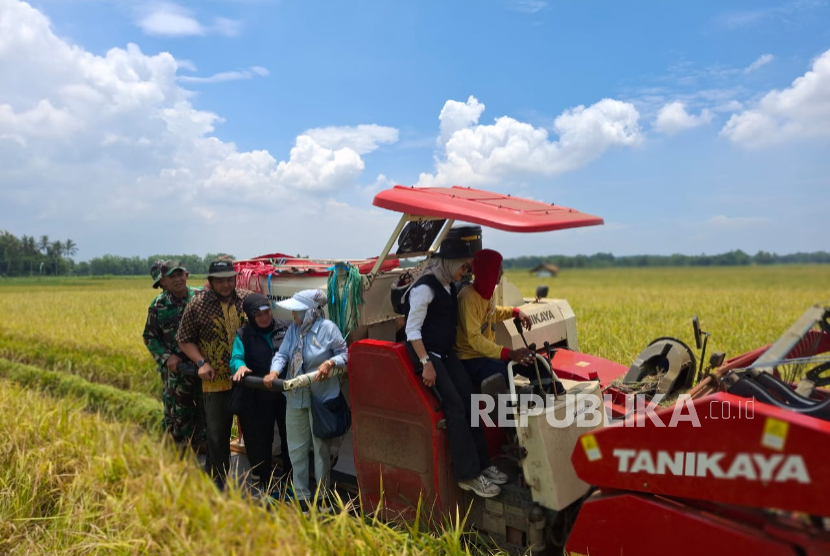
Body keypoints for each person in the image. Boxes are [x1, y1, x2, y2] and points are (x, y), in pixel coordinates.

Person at [405, 253, 508, 498]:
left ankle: (483, 464)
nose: (465, 272)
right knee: (455, 406)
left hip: (446, 354)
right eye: (463, 266)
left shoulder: (448, 284)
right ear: (449, 262)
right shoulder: (425, 288)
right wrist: (426, 363)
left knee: (472, 400)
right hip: (428, 355)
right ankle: (468, 476)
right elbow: (412, 330)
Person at [263, 289, 347, 511]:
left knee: (320, 450)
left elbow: (345, 354)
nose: (294, 316)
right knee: (296, 448)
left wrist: (329, 363)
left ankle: (323, 497)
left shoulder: (328, 329)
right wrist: (274, 372)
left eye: (297, 312)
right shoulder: (294, 330)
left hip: (321, 398)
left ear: (311, 311)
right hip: (295, 396)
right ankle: (302, 497)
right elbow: (282, 355)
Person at [177, 256, 253, 488]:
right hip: (215, 381)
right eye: (220, 281)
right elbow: (184, 339)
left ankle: (259, 479)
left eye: (229, 279)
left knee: (253, 431)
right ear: (210, 280)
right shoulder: (198, 304)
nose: (226, 285)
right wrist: (201, 363)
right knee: (218, 435)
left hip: (248, 379)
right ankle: (219, 482)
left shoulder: (247, 300)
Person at [230, 293, 292, 492]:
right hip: (259, 397)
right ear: (250, 316)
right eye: (259, 314)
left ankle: (291, 480)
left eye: (267, 312)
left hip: (286, 395)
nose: (265, 317)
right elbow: (236, 358)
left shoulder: (286, 327)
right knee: (262, 441)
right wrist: (239, 366)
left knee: (290, 438)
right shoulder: (244, 334)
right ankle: (266, 481)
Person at [142, 259, 206, 453]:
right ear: (163, 282)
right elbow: (150, 337)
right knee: (177, 414)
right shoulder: (158, 305)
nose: (178, 279)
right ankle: (176, 455)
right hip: (175, 372)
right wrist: (167, 357)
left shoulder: (199, 297)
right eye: (172, 277)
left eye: (180, 274)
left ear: (186, 275)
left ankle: (202, 450)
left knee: (204, 411)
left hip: (201, 367)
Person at [455, 249, 535, 387]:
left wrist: (515, 312)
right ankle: (507, 407)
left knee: (531, 361)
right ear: (488, 270)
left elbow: (492, 312)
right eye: (499, 269)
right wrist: (508, 353)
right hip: (470, 358)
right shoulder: (468, 299)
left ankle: (548, 391)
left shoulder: (486, 292)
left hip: (485, 354)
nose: (502, 273)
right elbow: (474, 339)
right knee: (499, 373)